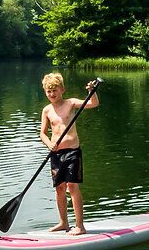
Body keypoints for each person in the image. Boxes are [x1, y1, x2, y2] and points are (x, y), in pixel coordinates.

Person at [38, 72, 101, 233]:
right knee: (59, 188)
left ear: (62, 90)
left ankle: (80, 226)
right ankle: (63, 223)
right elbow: (42, 133)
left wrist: (91, 91)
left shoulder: (71, 103)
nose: (52, 94)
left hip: (73, 152)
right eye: (48, 91)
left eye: (55, 90)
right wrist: (49, 143)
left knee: (72, 186)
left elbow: (93, 103)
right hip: (56, 154)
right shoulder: (46, 110)